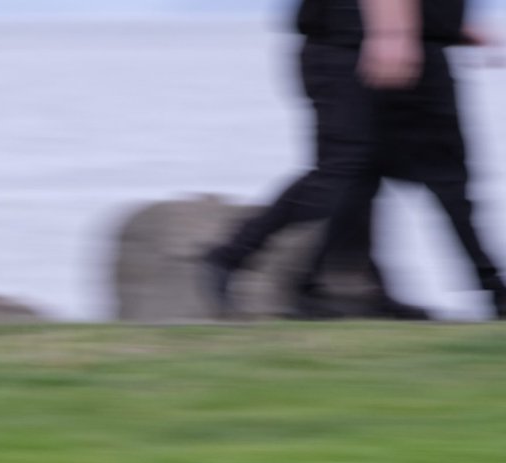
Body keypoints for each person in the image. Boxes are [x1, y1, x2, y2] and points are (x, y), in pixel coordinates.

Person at [202, 0, 506, 320]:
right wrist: (394, 33)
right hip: (359, 46)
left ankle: (326, 287)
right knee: (345, 171)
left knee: (377, 172)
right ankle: (234, 258)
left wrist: (440, 24)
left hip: (396, 45)